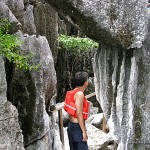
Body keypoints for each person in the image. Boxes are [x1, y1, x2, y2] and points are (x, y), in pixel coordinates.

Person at [64, 71, 90, 150]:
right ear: (85, 83)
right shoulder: (80, 94)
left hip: (71, 126)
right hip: (77, 127)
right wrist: (84, 131)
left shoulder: (73, 92)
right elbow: (79, 114)